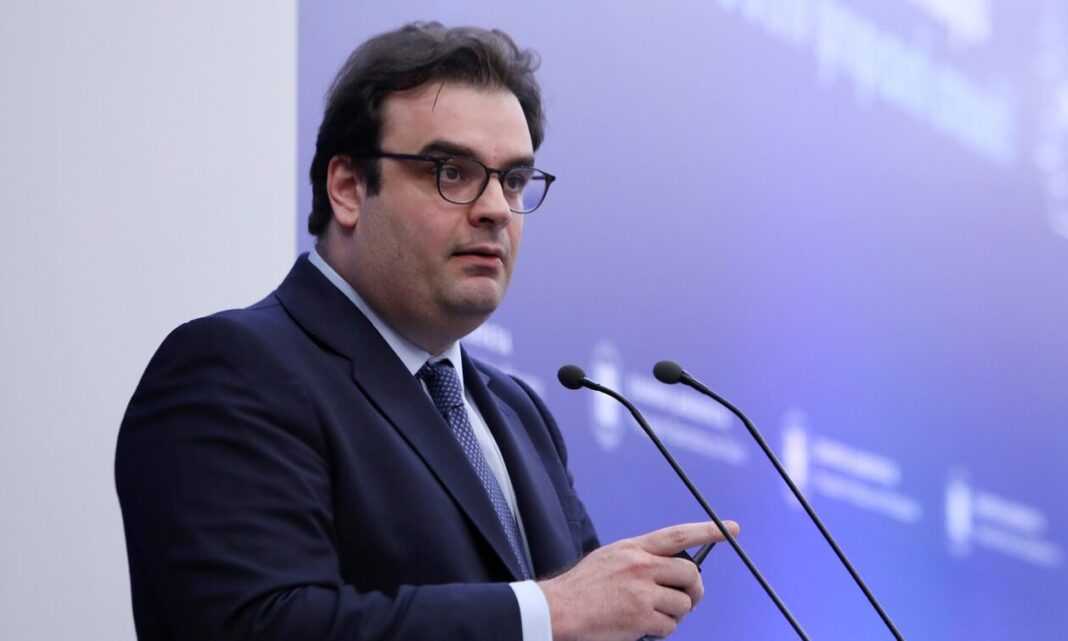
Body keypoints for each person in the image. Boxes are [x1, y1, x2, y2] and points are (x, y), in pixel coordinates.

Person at [115, 21, 737, 641]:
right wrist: (549, 613)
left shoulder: (521, 415)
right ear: (348, 188)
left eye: (513, 180)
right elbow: (253, 625)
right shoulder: (233, 370)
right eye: (451, 172)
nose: (495, 210)